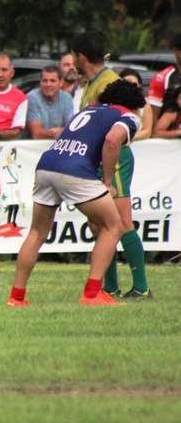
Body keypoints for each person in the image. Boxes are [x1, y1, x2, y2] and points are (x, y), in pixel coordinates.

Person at [7, 80, 146, 307]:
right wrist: (108, 181)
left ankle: (16, 297)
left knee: (37, 233)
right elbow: (112, 140)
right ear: (134, 105)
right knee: (114, 226)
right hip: (75, 170)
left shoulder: (89, 109)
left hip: (46, 164)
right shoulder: (129, 117)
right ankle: (92, 294)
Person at [72, 33, 151, 300]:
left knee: (121, 221)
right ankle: (110, 286)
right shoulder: (92, 83)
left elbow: (130, 118)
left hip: (114, 158)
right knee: (99, 225)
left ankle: (141, 287)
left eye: (74, 55)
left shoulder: (109, 81)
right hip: (97, 158)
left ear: (81, 56)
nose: (72, 61)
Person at [25, 65, 74, 139]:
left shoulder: (67, 98)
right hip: (34, 147)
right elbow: (36, 134)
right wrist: (57, 132)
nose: (48, 84)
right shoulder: (32, 97)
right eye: (45, 81)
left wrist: (62, 131)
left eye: (52, 81)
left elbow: (72, 129)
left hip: (59, 146)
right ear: (40, 82)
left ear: (61, 83)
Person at [146, 33, 181, 125]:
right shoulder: (162, 78)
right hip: (169, 135)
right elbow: (153, 115)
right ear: (175, 50)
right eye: (180, 49)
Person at [119, 68, 153, 139]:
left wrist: (125, 139)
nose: (130, 87)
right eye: (126, 83)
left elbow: (147, 132)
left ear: (139, 85)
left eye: (134, 84)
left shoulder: (145, 106)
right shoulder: (111, 104)